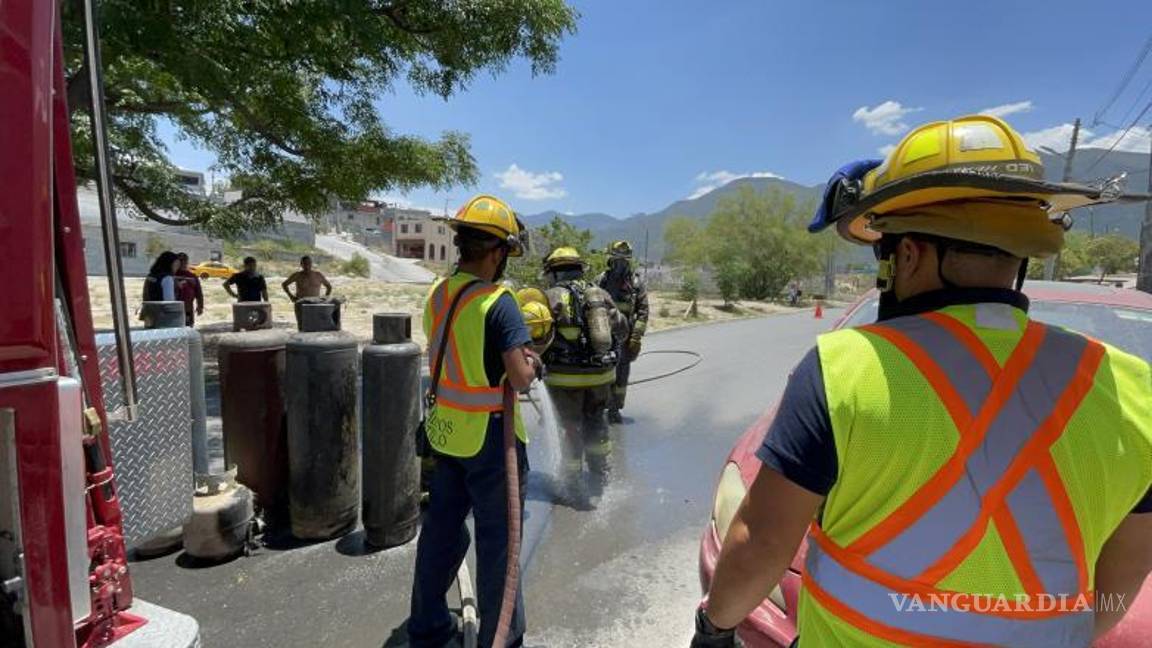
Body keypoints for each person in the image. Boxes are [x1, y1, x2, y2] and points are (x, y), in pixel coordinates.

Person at [694, 115, 1152, 647]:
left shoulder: (844, 368)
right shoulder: (1133, 388)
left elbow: (762, 544)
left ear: (908, 254)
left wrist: (713, 628)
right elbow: (1120, 582)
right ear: (1019, 255)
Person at [408, 195, 541, 648]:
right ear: (499, 251)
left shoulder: (438, 293)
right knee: (499, 549)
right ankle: (501, 639)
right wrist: (532, 364)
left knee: (440, 534)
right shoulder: (498, 303)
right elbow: (520, 378)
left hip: (445, 435)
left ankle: (426, 627)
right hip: (491, 444)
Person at [540, 247, 625, 504]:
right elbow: (622, 328)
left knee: (569, 428)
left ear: (553, 272)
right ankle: (601, 473)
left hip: (564, 380)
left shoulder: (550, 296)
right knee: (596, 421)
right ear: (580, 269)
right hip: (601, 377)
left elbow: (537, 336)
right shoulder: (600, 294)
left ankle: (572, 484)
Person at [595, 240, 649, 424]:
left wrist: (636, 337)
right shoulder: (600, 280)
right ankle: (599, 406)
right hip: (603, 335)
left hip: (625, 338)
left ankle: (615, 409)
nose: (619, 265)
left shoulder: (636, 283)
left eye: (623, 261)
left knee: (621, 375)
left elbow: (643, 312)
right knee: (601, 373)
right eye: (616, 260)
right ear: (610, 259)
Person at [174, 252, 205, 326]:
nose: (182, 263)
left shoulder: (192, 275)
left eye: (184, 260)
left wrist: (200, 306)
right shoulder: (172, 275)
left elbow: (198, 292)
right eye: (180, 261)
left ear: (187, 261)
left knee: (187, 326)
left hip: (188, 307)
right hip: (175, 307)